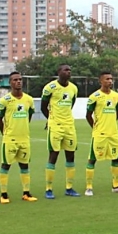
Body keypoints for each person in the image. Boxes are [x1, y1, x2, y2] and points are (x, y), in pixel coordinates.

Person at [84, 71, 118, 196]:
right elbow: (88, 115)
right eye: (107, 79)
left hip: (113, 134)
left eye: (111, 79)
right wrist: (95, 127)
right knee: (92, 159)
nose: (110, 81)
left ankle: (116, 186)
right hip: (100, 134)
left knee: (116, 158)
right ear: (100, 81)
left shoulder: (116, 96)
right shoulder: (95, 96)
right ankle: (89, 187)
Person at [0, 71, 37, 203]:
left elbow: (29, 115)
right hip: (10, 139)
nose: (18, 82)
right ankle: (3, 194)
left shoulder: (29, 100)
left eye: (20, 79)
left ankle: (26, 193)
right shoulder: (5, 101)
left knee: (24, 166)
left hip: (24, 138)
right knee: (5, 165)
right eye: (15, 80)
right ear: (10, 83)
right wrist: (5, 132)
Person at [41, 64, 80, 198]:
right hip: (56, 126)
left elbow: (71, 104)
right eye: (65, 70)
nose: (68, 72)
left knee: (71, 156)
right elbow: (43, 107)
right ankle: (48, 189)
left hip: (69, 126)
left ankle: (69, 188)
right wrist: (51, 119)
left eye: (70, 70)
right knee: (54, 155)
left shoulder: (74, 88)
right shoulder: (50, 88)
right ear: (59, 72)